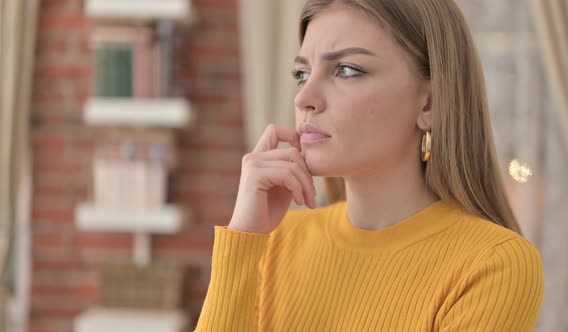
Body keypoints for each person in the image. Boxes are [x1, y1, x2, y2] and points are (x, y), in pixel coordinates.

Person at [194, 0, 544, 331]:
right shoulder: (274, 240)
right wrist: (243, 238)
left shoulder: (493, 264)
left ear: (430, 104)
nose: (304, 98)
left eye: (346, 70)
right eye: (302, 73)